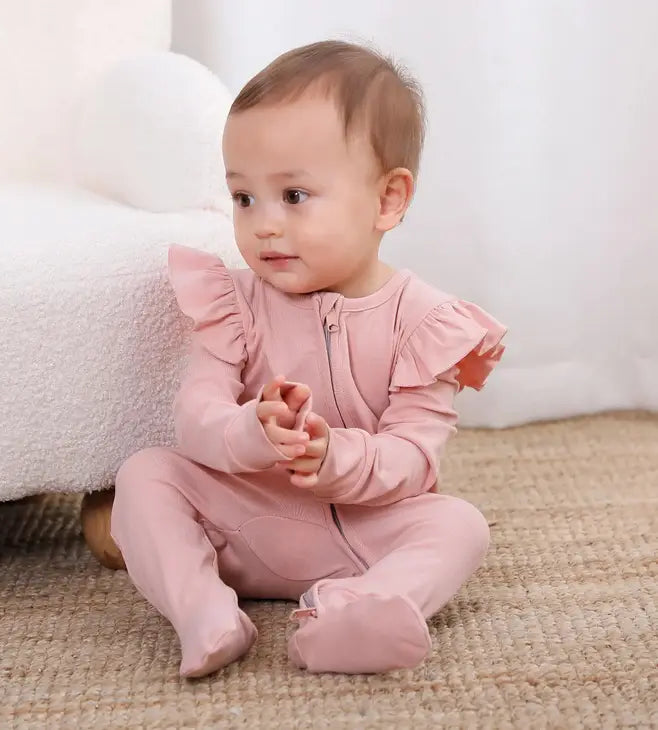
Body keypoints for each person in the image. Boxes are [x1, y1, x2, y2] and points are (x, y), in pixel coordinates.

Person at [108, 40, 506, 678]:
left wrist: (335, 458)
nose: (264, 224)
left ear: (388, 200)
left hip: (362, 534)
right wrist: (251, 430)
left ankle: (348, 614)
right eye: (244, 198)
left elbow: (413, 457)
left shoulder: (424, 324)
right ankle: (204, 611)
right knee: (145, 474)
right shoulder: (233, 304)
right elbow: (196, 414)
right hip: (243, 525)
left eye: (293, 195)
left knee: (459, 526)